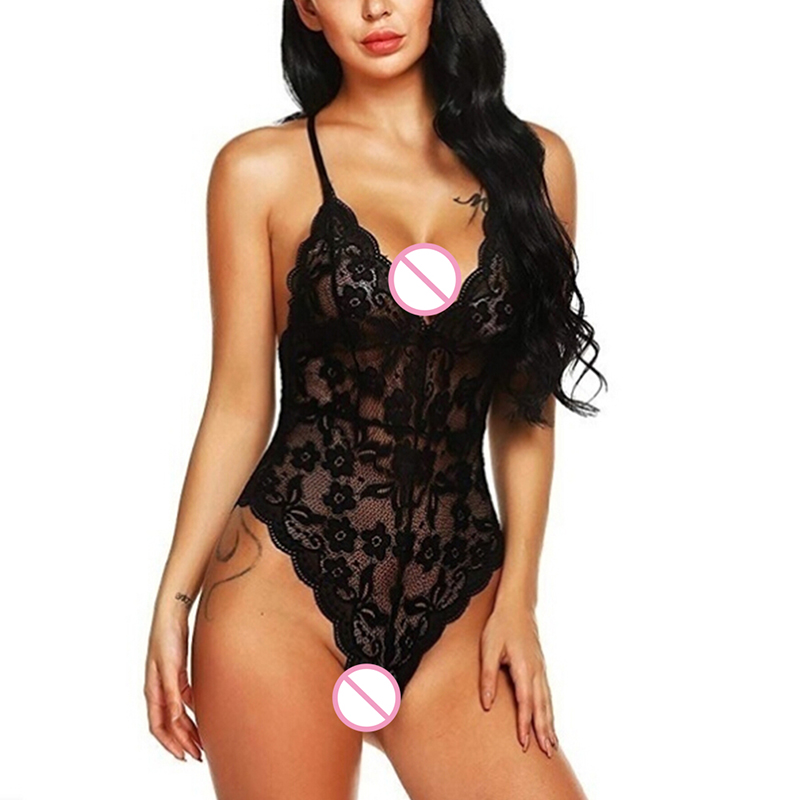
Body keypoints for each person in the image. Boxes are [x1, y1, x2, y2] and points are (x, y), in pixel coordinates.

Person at [145, 0, 606, 797]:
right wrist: (172, 599)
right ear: (307, 8)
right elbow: (238, 403)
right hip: (279, 597)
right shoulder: (258, 170)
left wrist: (519, 602)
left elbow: (524, 407)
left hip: (462, 602)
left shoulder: (534, 165)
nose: (375, 8)